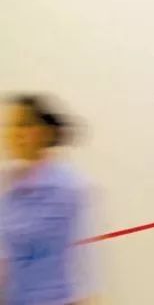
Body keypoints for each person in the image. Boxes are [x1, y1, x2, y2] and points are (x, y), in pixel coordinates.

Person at [1, 96, 94, 305]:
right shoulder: (7, 186)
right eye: (10, 125)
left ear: (44, 132)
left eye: (23, 125)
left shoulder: (68, 187)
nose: (13, 133)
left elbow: (85, 265)